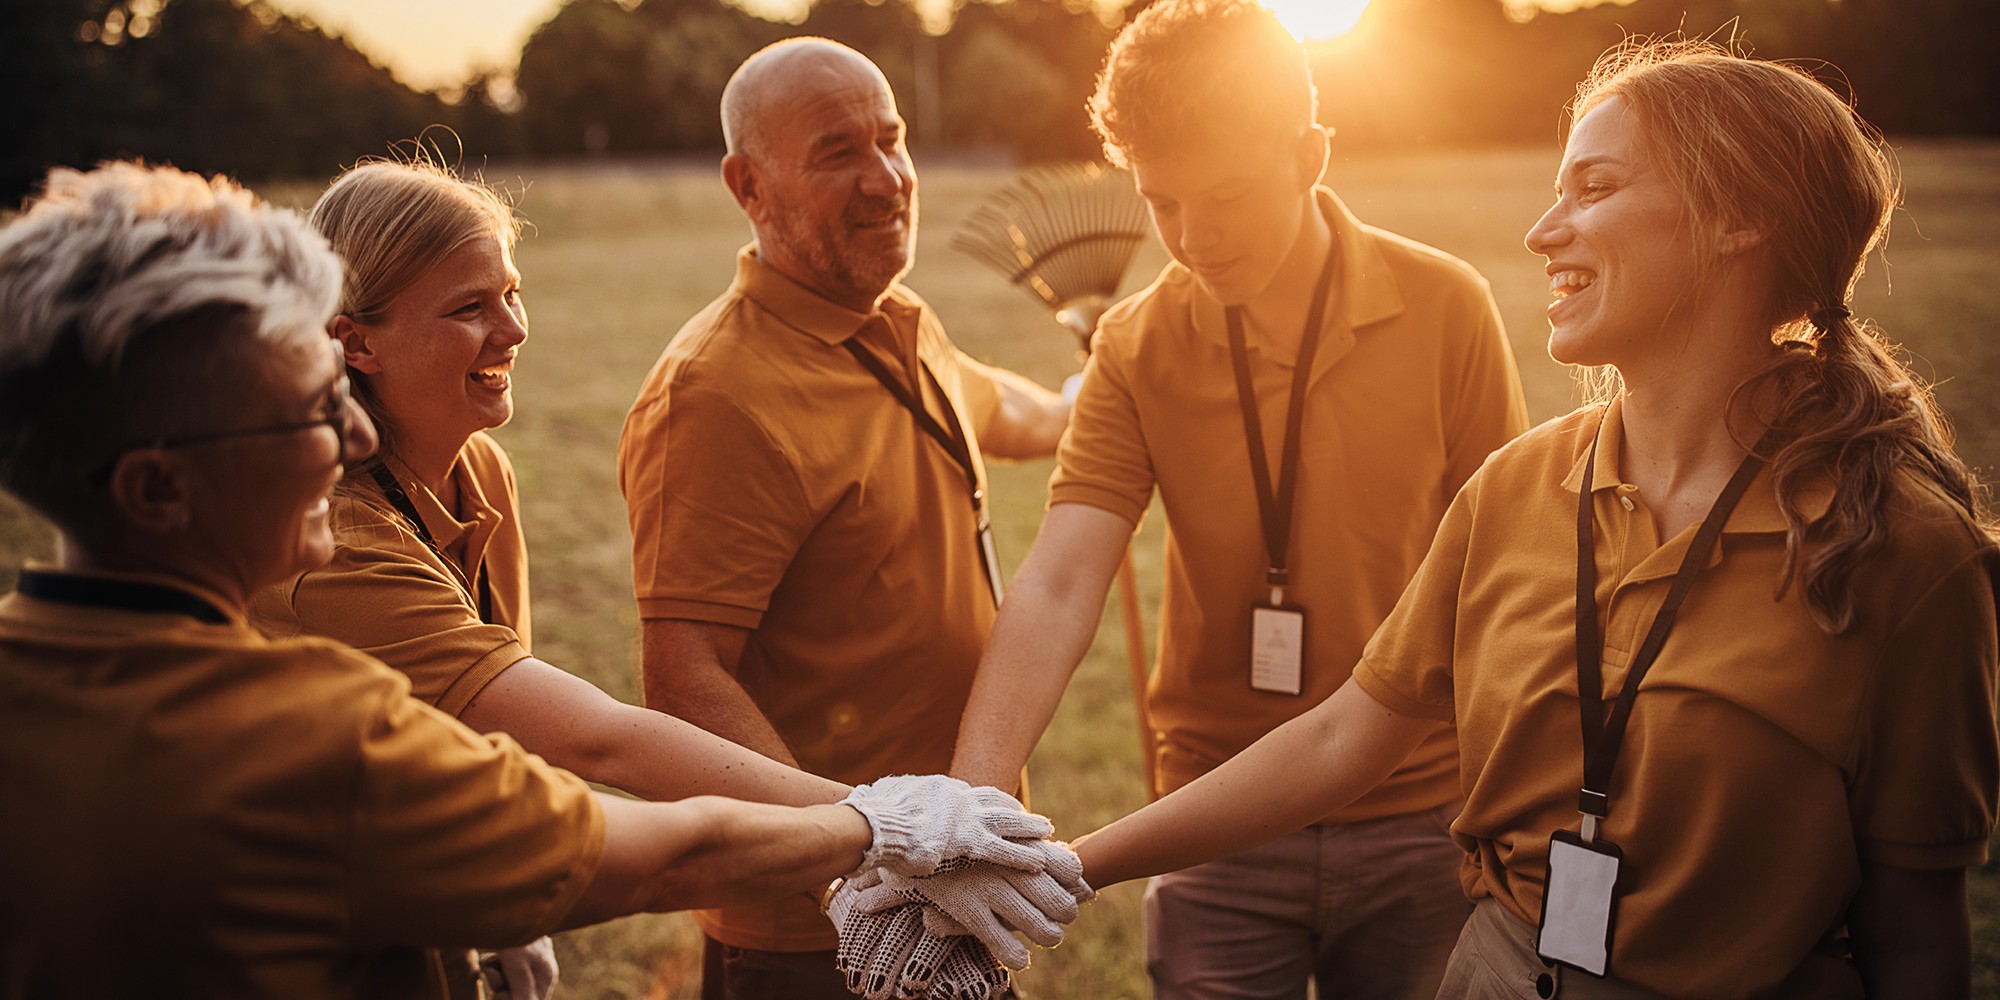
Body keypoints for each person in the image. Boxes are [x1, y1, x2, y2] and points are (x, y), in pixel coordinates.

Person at [1056, 40, 1998, 1000]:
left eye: (1593, 188)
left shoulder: (1908, 556)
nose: (1543, 231)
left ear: (1739, 216)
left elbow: (1917, 929)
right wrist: (1068, 866)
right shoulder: (1516, 489)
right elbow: (1342, 739)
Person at [0, 162, 1062, 998]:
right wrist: (889, 827)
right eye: (304, 413)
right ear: (154, 488)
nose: (349, 434)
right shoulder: (319, 737)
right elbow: (655, 850)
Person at [946, 2, 1527, 997]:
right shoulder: (1135, 344)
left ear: (1309, 155)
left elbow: (1516, 582)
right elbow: (1058, 580)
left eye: (1224, 196)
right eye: (1160, 201)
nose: (1190, 237)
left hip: (1422, 808)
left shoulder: (1447, 308)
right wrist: (963, 802)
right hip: (1211, 810)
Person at [616, 36, 1072, 1000]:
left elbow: (993, 406)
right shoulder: (718, 394)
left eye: (892, 140)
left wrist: (1093, 398)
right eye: (837, 152)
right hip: (825, 930)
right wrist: (853, 865)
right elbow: (684, 677)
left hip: (958, 876)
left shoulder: (894, 318)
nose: (886, 179)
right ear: (750, 186)